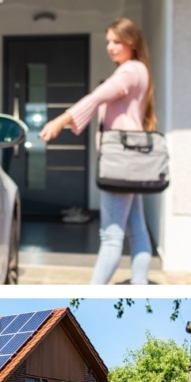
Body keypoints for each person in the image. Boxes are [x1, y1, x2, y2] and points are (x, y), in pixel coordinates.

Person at [39, 17, 156, 285]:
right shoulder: (140, 70)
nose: (111, 47)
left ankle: (95, 290)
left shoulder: (129, 71)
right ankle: (140, 286)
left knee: (111, 235)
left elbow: (97, 96)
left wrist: (60, 120)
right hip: (131, 159)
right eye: (108, 42)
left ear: (132, 42)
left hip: (120, 160)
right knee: (137, 230)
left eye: (117, 41)